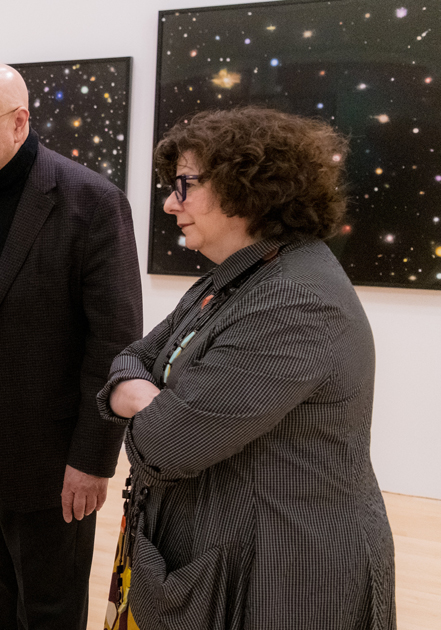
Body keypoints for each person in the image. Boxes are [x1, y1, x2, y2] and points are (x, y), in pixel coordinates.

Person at [99, 106, 395, 630]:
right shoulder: (242, 274)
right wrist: (151, 397)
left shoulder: (296, 300)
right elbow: (133, 358)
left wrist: (143, 401)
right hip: (235, 547)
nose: (170, 203)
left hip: (286, 574)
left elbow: (167, 446)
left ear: (248, 187)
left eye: (185, 185)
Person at [0, 63, 142, 629]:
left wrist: (92, 460)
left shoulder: (91, 201)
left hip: (49, 456)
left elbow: (115, 343)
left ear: (20, 123)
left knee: (49, 605)